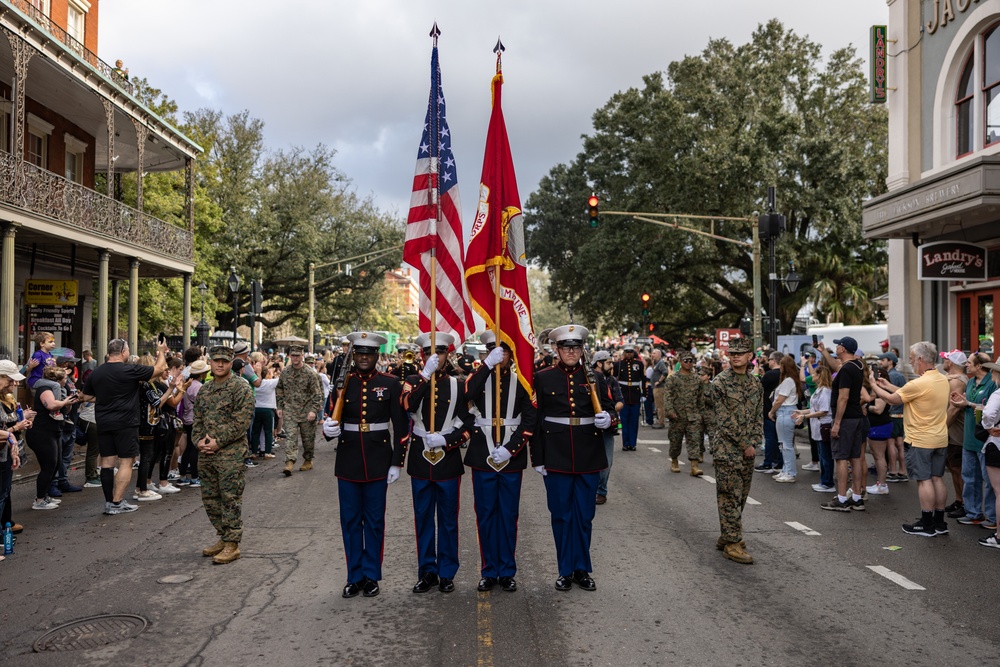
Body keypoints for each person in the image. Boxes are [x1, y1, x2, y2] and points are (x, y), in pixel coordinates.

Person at [319, 331, 409, 597]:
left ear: (376, 356)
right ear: (353, 356)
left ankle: (371, 576)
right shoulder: (343, 383)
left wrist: (397, 462)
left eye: (368, 354)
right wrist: (328, 431)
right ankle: (353, 576)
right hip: (347, 461)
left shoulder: (390, 383)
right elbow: (331, 419)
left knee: (374, 522)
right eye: (359, 354)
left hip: (378, 460)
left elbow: (401, 426)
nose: (363, 359)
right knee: (350, 522)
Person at [531, 325, 617, 591]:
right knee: (561, 516)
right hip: (555, 456)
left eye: (576, 347)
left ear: (582, 350)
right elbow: (534, 420)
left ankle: (582, 568)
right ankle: (565, 570)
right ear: (557, 349)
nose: (571, 351)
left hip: (588, 455)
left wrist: (609, 420)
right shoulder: (542, 378)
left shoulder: (596, 379)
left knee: (584, 516)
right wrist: (537, 458)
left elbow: (613, 411)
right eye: (566, 347)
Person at [462, 331, 536, 592]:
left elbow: (529, 421)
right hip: (483, 454)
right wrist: (486, 365)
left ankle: (506, 570)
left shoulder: (523, 382)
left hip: (510, 458)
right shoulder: (480, 378)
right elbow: (467, 392)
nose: (500, 355)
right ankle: (488, 569)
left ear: (512, 354)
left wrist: (511, 449)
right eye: (494, 350)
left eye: (504, 350)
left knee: (508, 515)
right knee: (485, 515)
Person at [401, 332, 474, 594]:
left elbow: (468, 423)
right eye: (429, 353)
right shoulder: (411, 381)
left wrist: (447, 440)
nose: (435, 357)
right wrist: (424, 376)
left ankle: (446, 572)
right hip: (420, 458)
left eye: (440, 353)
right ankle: (427, 572)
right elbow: (407, 405)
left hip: (447, 458)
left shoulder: (458, 384)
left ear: (447, 355)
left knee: (448, 520)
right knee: (422, 519)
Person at [79, 337, 168, 515]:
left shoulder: (97, 372)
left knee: (107, 463)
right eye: (127, 350)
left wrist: (106, 398)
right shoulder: (130, 369)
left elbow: (85, 397)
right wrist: (161, 351)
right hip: (126, 423)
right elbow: (159, 369)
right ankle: (117, 501)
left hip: (104, 421)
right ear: (122, 352)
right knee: (127, 461)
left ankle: (109, 503)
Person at [874, 341, 951, 537]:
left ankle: (926, 524)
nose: (910, 363)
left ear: (920, 359)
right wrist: (888, 385)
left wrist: (874, 385)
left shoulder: (919, 383)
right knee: (937, 479)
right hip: (940, 438)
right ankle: (939, 523)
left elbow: (893, 399)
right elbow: (908, 391)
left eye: (911, 359)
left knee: (924, 481)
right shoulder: (941, 379)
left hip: (920, 440)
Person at [193, 346, 255, 564]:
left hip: (230, 453)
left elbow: (241, 421)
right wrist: (198, 441)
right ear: (210, 363)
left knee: (230, 497)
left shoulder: (241, 388)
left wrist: (218, 443)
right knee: (210, 498)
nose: (219, 364)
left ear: (231, 363)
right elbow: (197, 419)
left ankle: (232, 544)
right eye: (216, 361)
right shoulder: (205, 389)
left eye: (224, 361)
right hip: (207, 453)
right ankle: (222, 535)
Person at [705, 335, 762, 564]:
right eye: (733, 353)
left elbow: (758, 414)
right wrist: (745, 444)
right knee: (729, 495)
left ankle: (729, 533)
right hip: (727, 449)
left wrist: (754, 442)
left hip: (747, 449)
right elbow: (724, 419)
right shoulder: (720, 382)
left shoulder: (755, 383)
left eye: (740, 353)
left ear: (750, 356)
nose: (736, 357)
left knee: (741, 495)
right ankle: (732, 542)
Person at [819, 337, 867, 513]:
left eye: (838, 345)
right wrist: (823, 351)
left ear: (843, 349)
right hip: (856, 418)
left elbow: (843, 397)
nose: (836, 347)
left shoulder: (846, 369)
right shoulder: (857, 365)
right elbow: (837, 366)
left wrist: (837, 423)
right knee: (855, 458)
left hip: (846, 419)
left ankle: (841, 499)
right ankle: (856, 497)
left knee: (840, 458)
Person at [951, 352, 997, 529]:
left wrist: (968, 404)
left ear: (979, 366)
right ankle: (973, 513)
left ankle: (992, 517)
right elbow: (968, 402)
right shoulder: (970, 382)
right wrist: (961, 401)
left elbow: (992, 410)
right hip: (969, 437)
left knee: (989, 481)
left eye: (969, 363)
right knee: (970, 477)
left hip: (986, 440)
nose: (966, 364)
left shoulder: (992, 383)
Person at [275, 345, 324, 476]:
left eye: (298, 355)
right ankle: (289, 462)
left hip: (307, 410)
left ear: (302, 356)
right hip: (290, 410)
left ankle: (308, 459)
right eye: (293, 355)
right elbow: (279, 389)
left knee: (308, 439)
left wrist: (314, 410)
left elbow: (317, 394)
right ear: (289, 356)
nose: (295, 358)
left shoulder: (310, 373)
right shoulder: (285, 372)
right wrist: (279, 406)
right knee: (290, 437)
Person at [0, 360, 31, 536]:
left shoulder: (8, 398)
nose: (14, 384)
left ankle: (6, 525)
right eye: (10, 380)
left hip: (6, 451)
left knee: (5, 491)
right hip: (4, 451)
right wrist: (12, 431)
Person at [664, 351, 706, 476]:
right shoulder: (673, 378)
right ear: (680, 362)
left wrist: (700, 414)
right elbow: (668, 397)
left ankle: (694, 466)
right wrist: (670, 411)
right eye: (686, 361)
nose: (688, 363)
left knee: (694, 440)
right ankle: (674, 460)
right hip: (677, 416)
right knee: (675, 441)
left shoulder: (697, 379)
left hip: (693, 416)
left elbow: (700, 398)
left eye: (691, 361)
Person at [795, 362, 834, 493]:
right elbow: (813, 408)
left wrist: (806, 417)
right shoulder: (819, 389)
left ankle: (828, 482)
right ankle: (824, 481)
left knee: (825, 455)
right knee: (822, 454)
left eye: (815, 373)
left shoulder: (826, 391)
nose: (812, 375)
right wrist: (801, 412)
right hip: (817, 425)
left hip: (824, 425)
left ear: (820, 375)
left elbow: (823, 411)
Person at [592, 351, 623, 505]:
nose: (612, 365)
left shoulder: (612, 381)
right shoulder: (588, 378)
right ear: (599, 363)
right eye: (609, 362)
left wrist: (608, 415)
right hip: (590, 427)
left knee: (607, 461)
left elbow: (619, 401)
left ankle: (601, 491)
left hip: (607, 425)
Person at [942, 351, 969, 516]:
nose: (943, 361)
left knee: (958, 469)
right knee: (953, 468)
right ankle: (959, 500)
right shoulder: (954, 379)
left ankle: (965, 504)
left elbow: (953, 409)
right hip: (953, 432)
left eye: (945, 359)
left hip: (957, 433)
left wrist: (942, 429)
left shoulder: (957, 382)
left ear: (950, 363)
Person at [768, 355, 802, 483]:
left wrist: (771, 411)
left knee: (786, 445)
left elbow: (779, 400)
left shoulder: (788, 381)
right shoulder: (789, 380)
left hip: (785, 412)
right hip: (784, 412)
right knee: (783, 444)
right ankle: (786, 469)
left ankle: (790, 472)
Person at [978, 360, 1000, 548]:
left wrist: (989, 426)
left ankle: (999, 535)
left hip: (997, 445)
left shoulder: (997, 394)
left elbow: (988, 414)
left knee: (999, 491)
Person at [878, 351, 909, 482]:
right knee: (900, 444)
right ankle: (903, 471)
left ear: (890, 361)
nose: (880, 362)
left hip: (892, 413)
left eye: (883, 360)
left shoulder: (891, 376)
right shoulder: (900, 375)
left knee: (891, 443)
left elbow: (889, 397)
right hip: (902, 414)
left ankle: (893, 471)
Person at [754, 351, 783, 474]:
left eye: (769, 359)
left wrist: (756, 376)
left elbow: (757, 387)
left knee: (770, 438)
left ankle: (768, 463)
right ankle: (779, 462)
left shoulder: (771, 374)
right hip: (782, 411)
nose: (768, 362)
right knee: (780, 439)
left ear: (774, 360)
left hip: (769, 410)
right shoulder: (784, 374)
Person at [613, 346, 645, 451]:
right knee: (624, 420)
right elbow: (614, 380)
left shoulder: (639, 364)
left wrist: (644, 393)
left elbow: (643, 379)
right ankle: (625, 443)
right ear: (624, 353)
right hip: (623, 395)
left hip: (635, 395)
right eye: (627, 352)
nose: (629, 353)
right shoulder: (618, 364)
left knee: (634, 421)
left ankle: (633, 443)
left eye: (631, 352)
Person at [649, 349, 669, 429]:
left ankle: (661, 422)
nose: (652, 355)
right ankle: (659, 420)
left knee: (660, 405)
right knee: (658, 405)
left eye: (654, 353)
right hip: (656, 387)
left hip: (659, 387)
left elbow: (665, 372)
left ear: (658, 354)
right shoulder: (656, 363)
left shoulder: (660, 363)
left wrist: (659, 381)